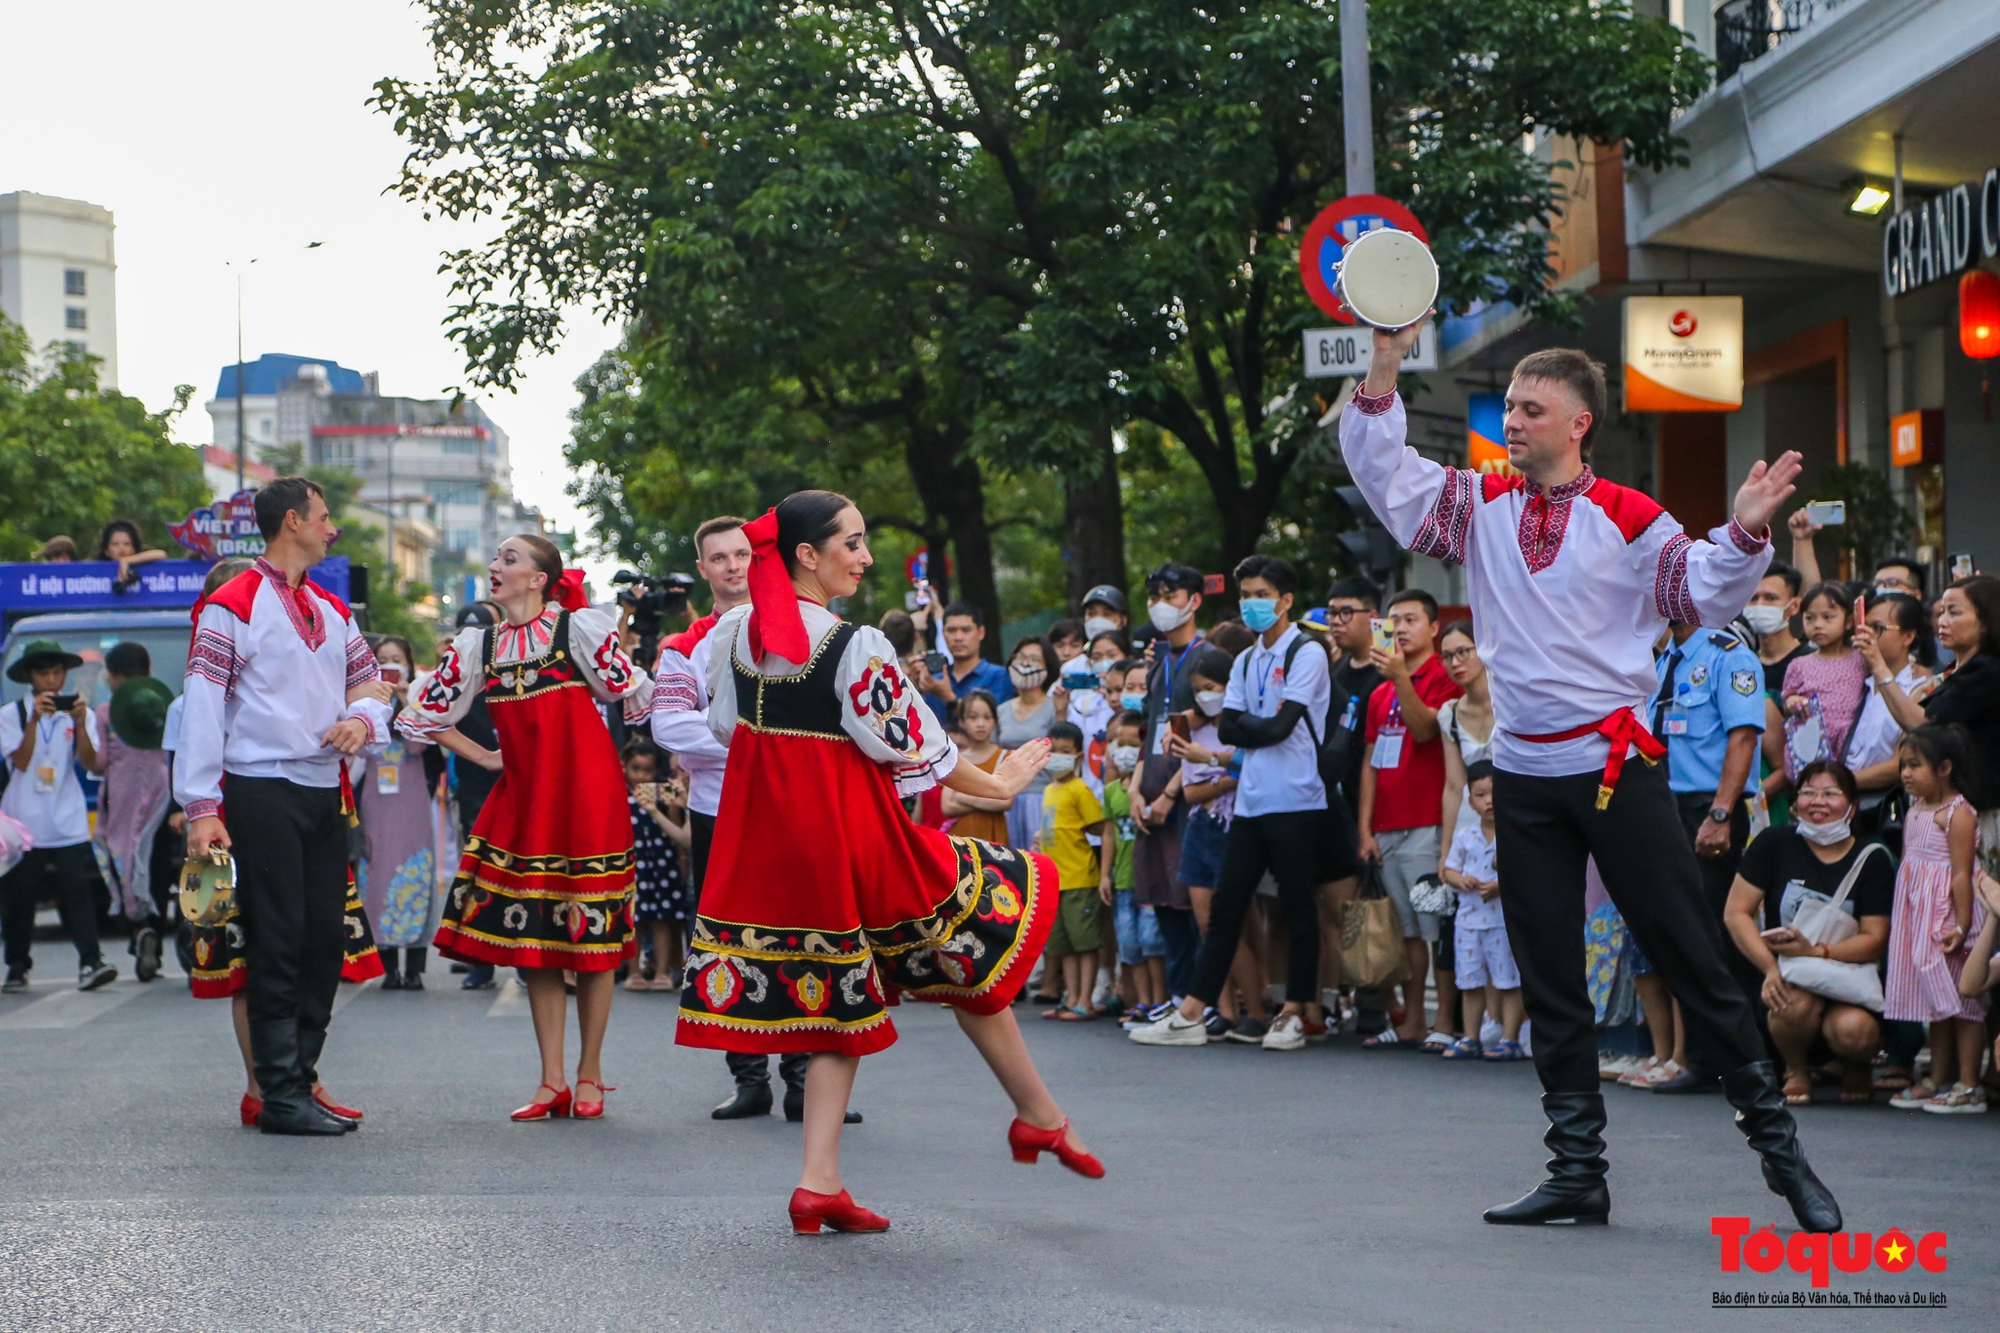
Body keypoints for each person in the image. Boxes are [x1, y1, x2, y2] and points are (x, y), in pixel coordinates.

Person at [1341, 326, 1838, 1232]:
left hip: (1616, 767)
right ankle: (1577, 1166)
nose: (1512, 423)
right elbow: (1389, 475)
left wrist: (1748, 526)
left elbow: (1699, 588)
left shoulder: (1629, 511)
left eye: (1530, 410)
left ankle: (1782, 1156)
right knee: (1549, 973)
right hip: (1524, 771)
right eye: (1511, 409)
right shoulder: (1480, 503)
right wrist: (1383, 362)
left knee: (1691, 954)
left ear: (1578, 423)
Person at [672, 490, 1097, 1233]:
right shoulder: (851, 644)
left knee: (854, 997)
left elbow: (721, 725)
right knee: (973, 932)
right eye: (855, 543)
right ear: (808, 555)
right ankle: (1037, 1115)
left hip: (773, 844)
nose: (866, 558)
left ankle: (823, 1180)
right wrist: (997, 781)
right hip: (850, 834)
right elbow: (911, 740)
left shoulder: (733, 634)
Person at [404, 533, 652, 1122]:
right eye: (496, 557)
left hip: (587, 797)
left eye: (508, 559)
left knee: (591, 936)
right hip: (524, 797)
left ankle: (589, 1075)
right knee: (534, 938)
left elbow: (631, 693)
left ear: (539, 577)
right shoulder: (477, 645)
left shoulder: (578, 629)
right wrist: (485, 756)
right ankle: (552, 1081)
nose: (495, 566)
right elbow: (425, 714)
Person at [176, 477, 393, 1135]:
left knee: (324, 939)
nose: (332, 528)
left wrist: (360, 718)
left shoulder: (330, 606)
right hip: (259, 787)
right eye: (324, 517)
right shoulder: (231, 603)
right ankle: (280, 1094)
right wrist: (201, 805)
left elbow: (375, 685)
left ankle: (296, 1082)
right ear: (293, 520)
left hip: (324, 787)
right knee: (277, 940)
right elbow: (203, 707)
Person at [650, 515, 821, 1118]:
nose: (732, 566)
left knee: (804, 935)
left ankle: (805, 1082)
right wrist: (765, 738)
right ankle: (749, 1077)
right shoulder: (684, 645)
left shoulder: (806, 627)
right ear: (703, 570)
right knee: (725, 940)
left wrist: (726, 736)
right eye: (718, 558)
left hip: (794, 806)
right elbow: (670, 727)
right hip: (717, 809)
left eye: (742, 554)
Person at [1132, 555, 1332, 1053]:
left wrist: (1253, 728)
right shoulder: (1244, 660)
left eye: (1262, 594)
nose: (1251, 604)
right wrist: (1252, 729)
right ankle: (1192, 1012)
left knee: (1296, 907)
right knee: (1225, 909)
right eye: (1245, 595)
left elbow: (1276, 727)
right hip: (1252, 800)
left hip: (1298, 798)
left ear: (1286, 601)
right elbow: (1229, 726)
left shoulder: (1306, 653)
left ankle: (1293, 1013)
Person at [1723, 760, 1891, 1106]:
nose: (1818, 802)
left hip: (1849, 976)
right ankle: (1795, 1069)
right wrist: (1770, 968)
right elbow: (1736, 913)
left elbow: (1875, 939)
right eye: (1808, 793)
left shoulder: (1871, 856)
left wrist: (1815, 952)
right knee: (1789, 1004)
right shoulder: (1775, 842)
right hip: (1791, 974)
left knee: (1854, 1031)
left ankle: (1855, 1065)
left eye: (1830, 794)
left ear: (1853, 805)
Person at [1356, 589, 1463, 1047]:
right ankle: (1413, 1018)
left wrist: (1402, 677)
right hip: (1387, 825)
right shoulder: (1380, 691)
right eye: (1393, 620)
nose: (1399, 628)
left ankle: (1445, 1022)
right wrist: (1364, 827)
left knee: (1433, 926)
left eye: (1411, 620)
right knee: (1406, 932)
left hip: (1427, 820)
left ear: (1434, 628)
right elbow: (1371, 763)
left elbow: (1424, 731)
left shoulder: (1445, 677)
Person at [1881, 725, 1988, 1113]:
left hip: (1947, 917)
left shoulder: (1957, 813)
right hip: (1920, 915)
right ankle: (1938, 1078)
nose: (1906, 773)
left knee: (1963, 1002)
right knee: (1938, 1003)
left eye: (1915, 765)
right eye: (1903, 765)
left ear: (1945, 767)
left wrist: (1960, 925)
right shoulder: (1917, 807)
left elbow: (1961, 874)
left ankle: (1969, 1084)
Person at [1, 639, 113, 992]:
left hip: (67, 820)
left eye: (56, 673)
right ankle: (17, 965)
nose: (51, 680)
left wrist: (80, 725)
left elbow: (92, 763)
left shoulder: (82, 713)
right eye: (43, 673)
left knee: (78, 893)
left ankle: (91, 962)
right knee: (20, 897)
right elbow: (18, 761)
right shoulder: (10, 716)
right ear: (30, 677)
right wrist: (34, 720)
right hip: (24, 822)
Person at [1163, 648, 1261, 1036]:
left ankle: (1255, 1009)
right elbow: (1191, 793)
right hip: (1202, 828)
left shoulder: (1247, 724)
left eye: (1212, 687)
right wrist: (1222, 768)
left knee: (1232, 925)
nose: (1205, 695)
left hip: (1240, 827)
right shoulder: (1191, 729)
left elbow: (1252, 768)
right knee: (1207, 924)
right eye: (1198, 689)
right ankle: (1224, 1009)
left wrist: (1215, 764)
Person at [1133, 563, 1209, 1005]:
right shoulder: (1161, 661)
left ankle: (1201, 1001)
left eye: (1171, 594)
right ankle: (1178, 997)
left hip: (1188, 798)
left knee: (1191, 902)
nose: (1160, 604)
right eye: (1154, 596)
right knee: (1163, 902)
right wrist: (1135, 789)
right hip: (1151, 797)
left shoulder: (1206, 656)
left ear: (1195, 600)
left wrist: (1168, 793)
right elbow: (1150, 728)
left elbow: (1207, 733)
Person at [357, 635, 438, 992]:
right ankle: (388, 965)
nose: (390, 664)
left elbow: (421, 745)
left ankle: (416, 967)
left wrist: (407, 698)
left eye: (396, 658)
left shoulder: (422, 696)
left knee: (417, 874)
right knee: (377, 877)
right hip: (376, 799)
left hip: (412, 800)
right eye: (383, 659)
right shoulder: (362, 698)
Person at [92, 641, 175, 981]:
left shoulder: (105, 714)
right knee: (155, 865)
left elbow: (97, 764)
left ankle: (139, 929)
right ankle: (153, 929)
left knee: (123, 860)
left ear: (115, 677)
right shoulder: (165, 709)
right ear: (149, 672)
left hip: (120, 799)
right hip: (161, 796)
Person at [1439, 763, 1525, 1060]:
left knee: (1509, 980)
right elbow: (1449, 870)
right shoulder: (1465, 836)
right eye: (1481, 794)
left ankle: (1510, 1037)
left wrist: (1501, 886)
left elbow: (1528, 871)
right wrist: (1459, 879)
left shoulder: (1515, 832)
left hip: (1503, 921)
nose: (1489, 800)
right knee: (1471, 981)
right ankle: (1471, 1036)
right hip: (1469, 923)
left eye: (1494, 793)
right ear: (1471, 802)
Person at [1847, 592, 1937, 829]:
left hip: (1887, 812)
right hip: (1841, 808)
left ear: (1908, 636)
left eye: (1877, 628)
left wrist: (1838, 782)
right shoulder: (1854, 680)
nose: (1866, 636)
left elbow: (1901, 764)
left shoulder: (1922, 687)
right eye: (1863, 627)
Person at [1038, 721, 1108, 1020]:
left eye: (1065, 751)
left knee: (1084, 943)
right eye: (1053, 750)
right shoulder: (1049, 790)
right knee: (1064, 945)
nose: (1058, 757)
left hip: (1079, 878)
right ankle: (1071, 999)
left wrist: (1104, 873)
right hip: (1055, 880)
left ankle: (1085, 1001)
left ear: (1078, 756)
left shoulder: (1080, 789)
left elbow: (1103, 828)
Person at [1100, 711, 1163, 1020]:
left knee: (1153, 941)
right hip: (1122, 880)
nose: (1122, 749)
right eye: (1116, 742)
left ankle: (1160, 1001)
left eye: (1130, 743)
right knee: (1130, 944)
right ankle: (1143, 1001)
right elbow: (1109, 832)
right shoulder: (1111, 792)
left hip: (1149, 880)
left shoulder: (1151, 788)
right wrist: (1104, 875)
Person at [1772, 583, 1868, 785]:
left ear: (1849, 621)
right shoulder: (1799, 664)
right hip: (1813, 743)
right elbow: (1787, 701)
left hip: (1852, 744)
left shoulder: (1861, 660)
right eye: (1810, 618)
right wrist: (1792, 703)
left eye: (1828, 617)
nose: (1818, 624)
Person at [621, 738, 691, 992]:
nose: (641, 776)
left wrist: (682, 859)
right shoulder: (616, 791)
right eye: (635, 769)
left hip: (661, 861)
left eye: (647, 770)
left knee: (663, 917)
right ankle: (634, 970)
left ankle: (662, 971)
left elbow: (676, 829)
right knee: (633, 918)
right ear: (624, 767)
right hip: (629, 862)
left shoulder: (664, 791)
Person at [997, 635, 1060, 852]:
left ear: (1048, 666)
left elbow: (1067, 758)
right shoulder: (1001, 711)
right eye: (1020, 657)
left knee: (1045, 858)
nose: (1025, 664)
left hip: (1045, 797)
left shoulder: (1056, 707)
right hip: (1006, 798)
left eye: (1034, 659)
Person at [916, 600, 1015, 721]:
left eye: (966, 630)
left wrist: (948, 698)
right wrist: (913, 684)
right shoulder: (933, 680)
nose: (958, 637)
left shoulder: (1000, 676)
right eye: (951, 630)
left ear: (981, 632)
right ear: (943, 633)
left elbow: (995, 724)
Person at [941, 689, 1012, 844]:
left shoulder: (1005, 757)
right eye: (973, 717)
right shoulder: (955, 759)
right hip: (962, 837)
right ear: (962, 722)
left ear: (995, 720)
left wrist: (962, 796)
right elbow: (947, 806)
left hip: (993, 835)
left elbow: (1005, 801)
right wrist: (988, 799)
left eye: (987, 717)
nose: (980, 724)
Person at [1741, 559, 1809, 696]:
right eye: (1753, 598)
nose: (1760, 605)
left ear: (1794, 606)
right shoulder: (1740, 662)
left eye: (1771, 598)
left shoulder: (1810, 661)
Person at [93, 518, 168, 589]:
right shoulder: (96, 573)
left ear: (133, 548)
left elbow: (161, 554)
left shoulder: (139, 563)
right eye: (115, 544)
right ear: (107, 551)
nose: (121, 549)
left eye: (126, 544)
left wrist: (126, 561)